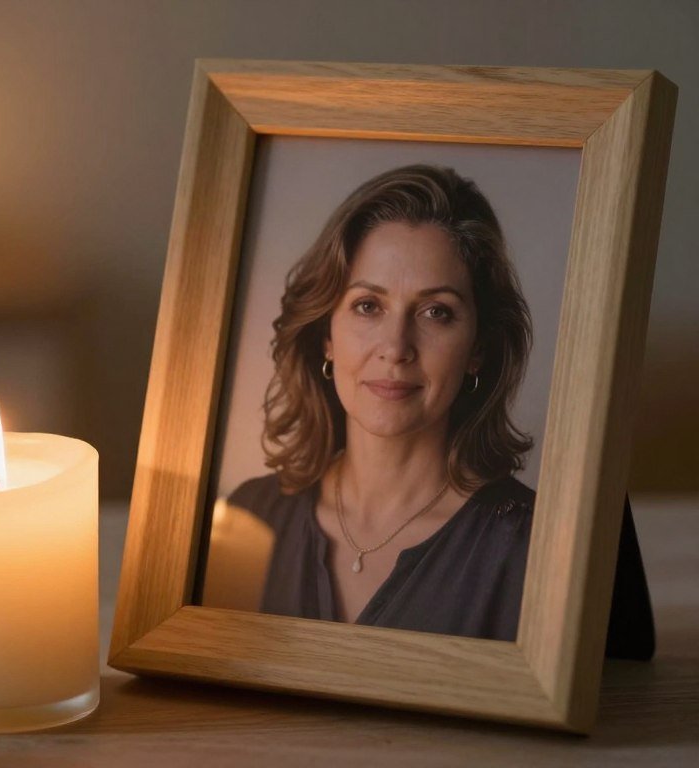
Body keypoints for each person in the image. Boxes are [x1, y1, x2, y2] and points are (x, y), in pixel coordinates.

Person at [214, 164, 653, 658]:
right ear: (327, 336)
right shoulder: (248, 519)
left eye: (436, 312)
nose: (396, 347)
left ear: (478, 348)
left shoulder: (536, 550)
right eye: (368, 306)